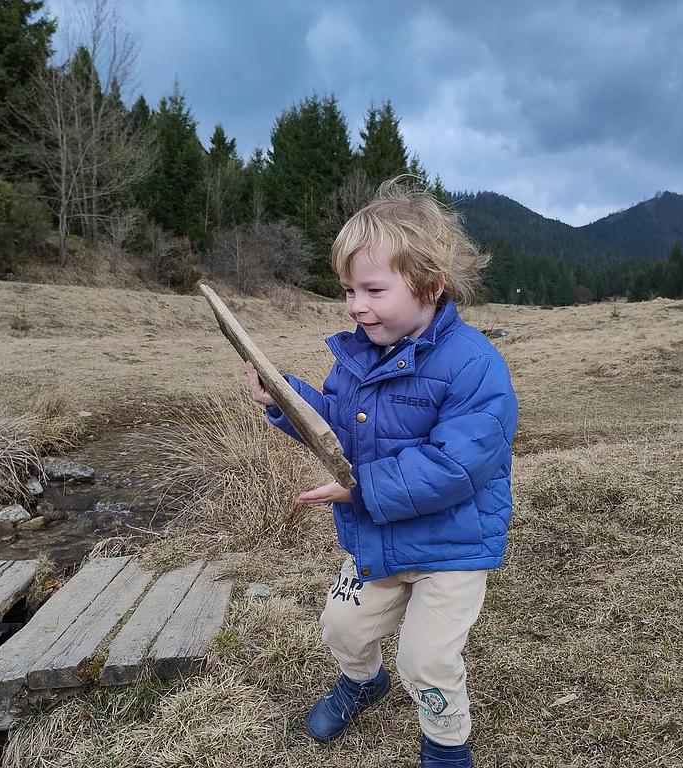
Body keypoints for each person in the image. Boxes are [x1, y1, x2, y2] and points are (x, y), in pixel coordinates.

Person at [246, 177, 518, 768]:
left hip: (452, 548)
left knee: (427, 661)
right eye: (348, 290)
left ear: (430, 285)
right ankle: (363, 682)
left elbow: (456, 465)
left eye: (373, 289)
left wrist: (363, 489)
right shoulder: (356, 357)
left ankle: (446, 745)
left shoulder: (474, 366)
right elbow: (336, 431)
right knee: (341, 628)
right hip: (378, 539)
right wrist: (286, 399)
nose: (355, 306)